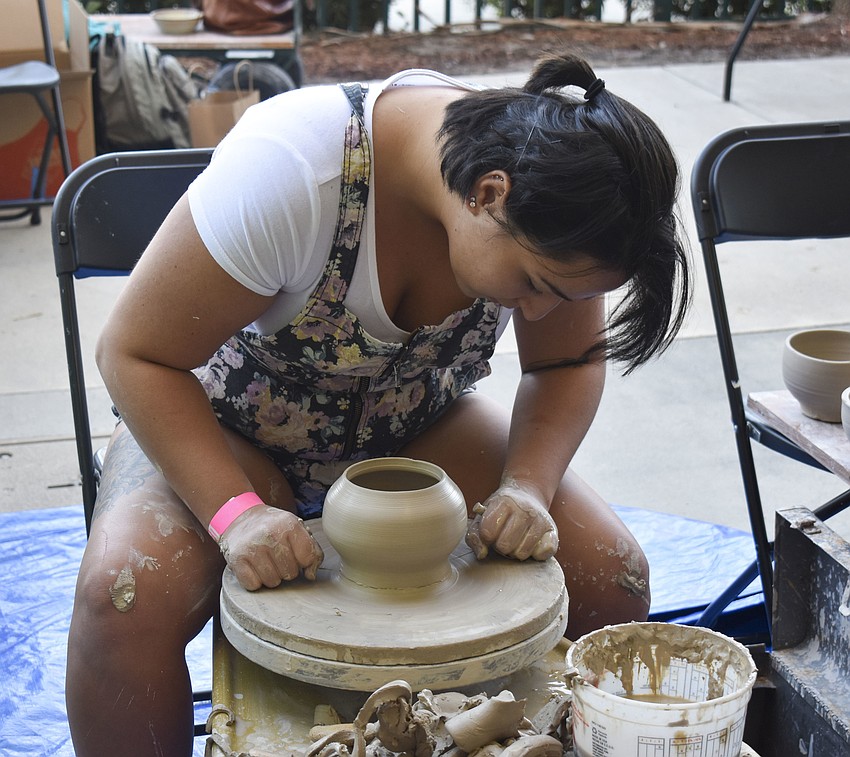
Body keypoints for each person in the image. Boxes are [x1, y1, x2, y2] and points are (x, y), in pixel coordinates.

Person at [65, 52, 690, 756]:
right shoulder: (296, 171)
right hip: (228, 425)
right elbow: (133, 352)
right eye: (536, 283)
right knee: (121, 596)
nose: (543, 311)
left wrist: (529, 485)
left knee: (614, 577)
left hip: (416, 423)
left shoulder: (559, 200)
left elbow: (568, 361)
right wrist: (234, 514)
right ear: (488, 193)